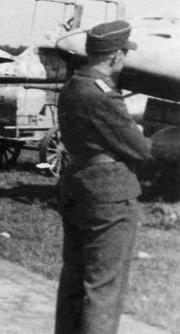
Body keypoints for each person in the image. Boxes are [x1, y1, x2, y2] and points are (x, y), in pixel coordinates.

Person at [55, 20, 153, 334]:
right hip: (109, 195)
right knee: (103, 289)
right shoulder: (102, 94)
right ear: (114, 56)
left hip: (76, 185)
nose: (125, 58)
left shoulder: (73, 86)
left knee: (74, 281)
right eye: (124, 52)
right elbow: (141, 150)